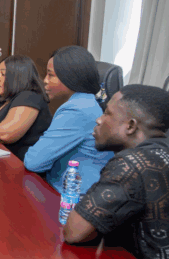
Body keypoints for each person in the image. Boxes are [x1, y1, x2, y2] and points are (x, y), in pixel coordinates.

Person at [64, 85, 169, 259]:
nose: (98, 120)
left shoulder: (132, 163)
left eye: (107, 113)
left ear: (131, 126)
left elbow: (74, 232)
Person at [24, 46, 114, 191]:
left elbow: (33, 162)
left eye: (50, 75)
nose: (45, 80)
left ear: (70, 77)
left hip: (72, 195)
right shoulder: (86, 101)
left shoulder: (77, 109)